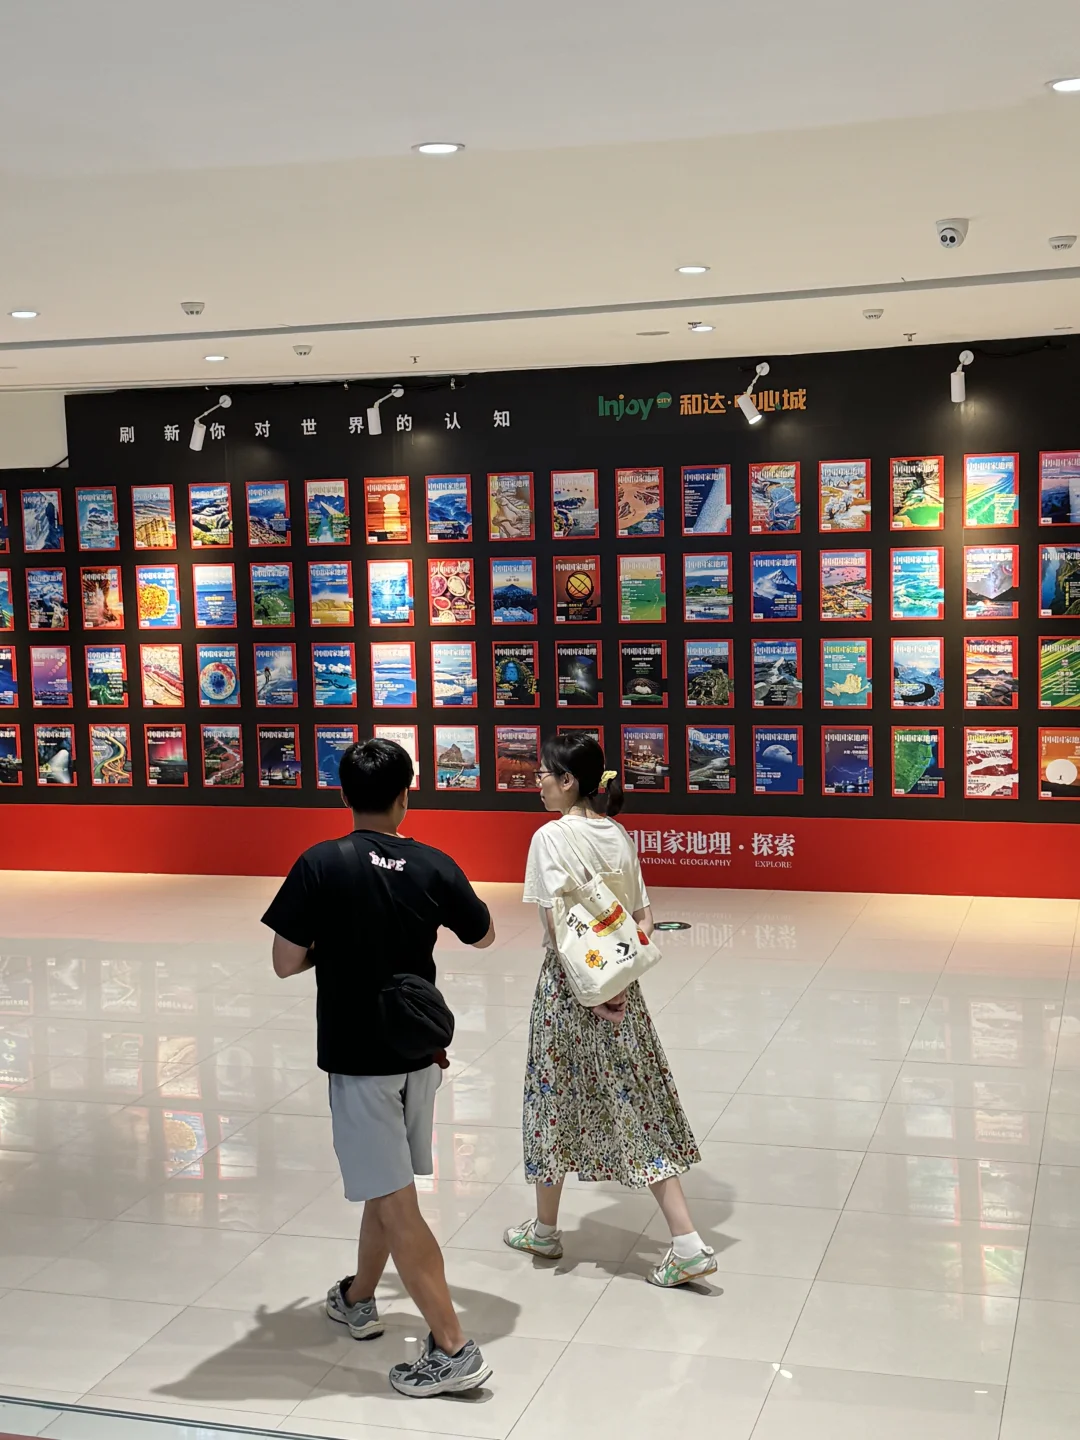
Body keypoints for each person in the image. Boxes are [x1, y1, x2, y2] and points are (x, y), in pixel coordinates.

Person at [262, 737, 496, 1397]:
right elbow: (483, 934)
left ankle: (453, 1347)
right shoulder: (434, 863)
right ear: (405, 795)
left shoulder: (320, 862)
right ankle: (359, 1297)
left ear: (343, 794)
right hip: (419, 1052)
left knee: (394, 1199)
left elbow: (284, 960)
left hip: (359, 1058)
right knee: (386, 1184)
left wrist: (332, 949)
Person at [504, 732, 715, 1288]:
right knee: (635, 1102)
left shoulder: (550, 838)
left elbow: (556, 929)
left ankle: (678, 1242)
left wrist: (589, 990)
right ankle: (554, 1229)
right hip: (619, 984)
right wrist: (615, 983)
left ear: (568, 780)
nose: (537, 781)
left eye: (544, 773)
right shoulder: (616, 833)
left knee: (553, 1100)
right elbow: (644, 918)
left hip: (569, 990)